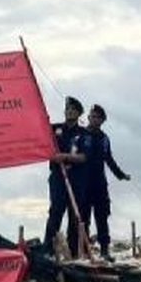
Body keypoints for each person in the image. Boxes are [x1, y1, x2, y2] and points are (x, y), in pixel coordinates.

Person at [77, 104, 130, 261]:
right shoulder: (81, 135)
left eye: (97, 117)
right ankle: (85, 251)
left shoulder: (104, 138)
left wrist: (121, 175)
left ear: (102, 120)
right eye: (91, 116)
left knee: (102, 217)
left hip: (100, 184)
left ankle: (105, 250)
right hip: (83, 184)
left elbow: (109, 160)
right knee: (83, 219)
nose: (93, 119)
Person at [42, 96, 87, 256]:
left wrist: (65, 157)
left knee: (75, 213)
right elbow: (43, 145)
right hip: (58, 177)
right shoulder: (54, 129)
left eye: (73, 110)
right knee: (56, 210)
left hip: (76, 177)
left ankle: (74, 250)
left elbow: (84, 157)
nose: (69, 112)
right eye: (67, 109)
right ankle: (48, 248)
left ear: (78, 113)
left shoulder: (83, 133)